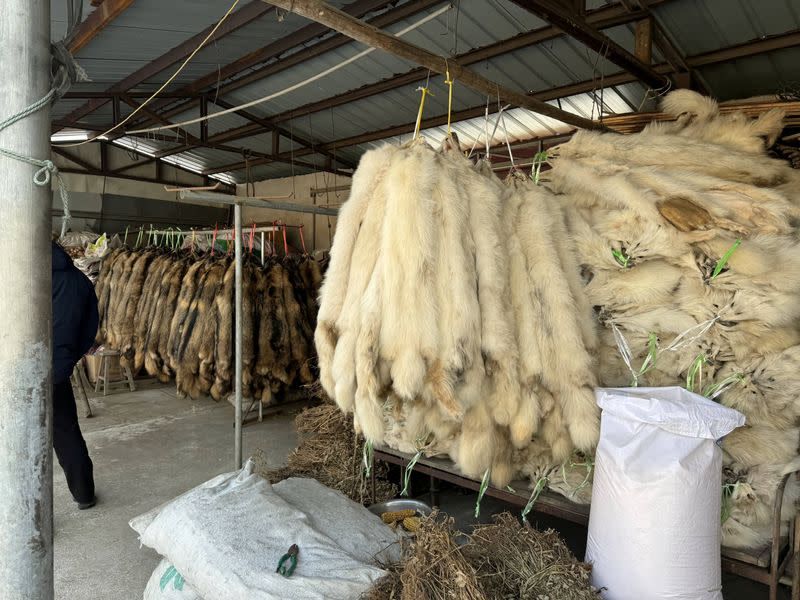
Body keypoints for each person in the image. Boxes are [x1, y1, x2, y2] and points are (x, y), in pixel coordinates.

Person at [52, 241, 99, 509]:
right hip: (57, 371)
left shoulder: (15, 271)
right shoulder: (80, 282)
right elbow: (89, 328)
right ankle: (83, 494)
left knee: (15, 438)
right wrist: (68, 358)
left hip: (14, 370)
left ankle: (19, 509)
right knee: (67, 433)